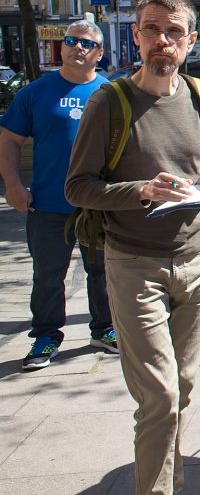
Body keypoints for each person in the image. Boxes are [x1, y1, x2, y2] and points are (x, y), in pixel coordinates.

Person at [65, 0, 200, 495]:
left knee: (181, 388)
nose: (163, 41)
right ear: (135, 37)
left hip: (197, 261)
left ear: (190, 40)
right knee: (158, 395)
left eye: (174, 31)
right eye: (152, 30)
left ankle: (168, 477)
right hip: (135, 264)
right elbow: (78, 187)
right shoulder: (108, 102)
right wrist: (140, 189)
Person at [0, 19, 116, 370]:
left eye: (86, 43)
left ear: (99, 53)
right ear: (61, 47)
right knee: (49, 275)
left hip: (97, 205)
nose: (77, 47)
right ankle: (46, 337)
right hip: (48, 205)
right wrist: (13, 185)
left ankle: (105, 328)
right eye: (71, 41)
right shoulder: (35, 92)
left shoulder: (110, 93)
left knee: (103, 272)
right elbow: (9, 140)